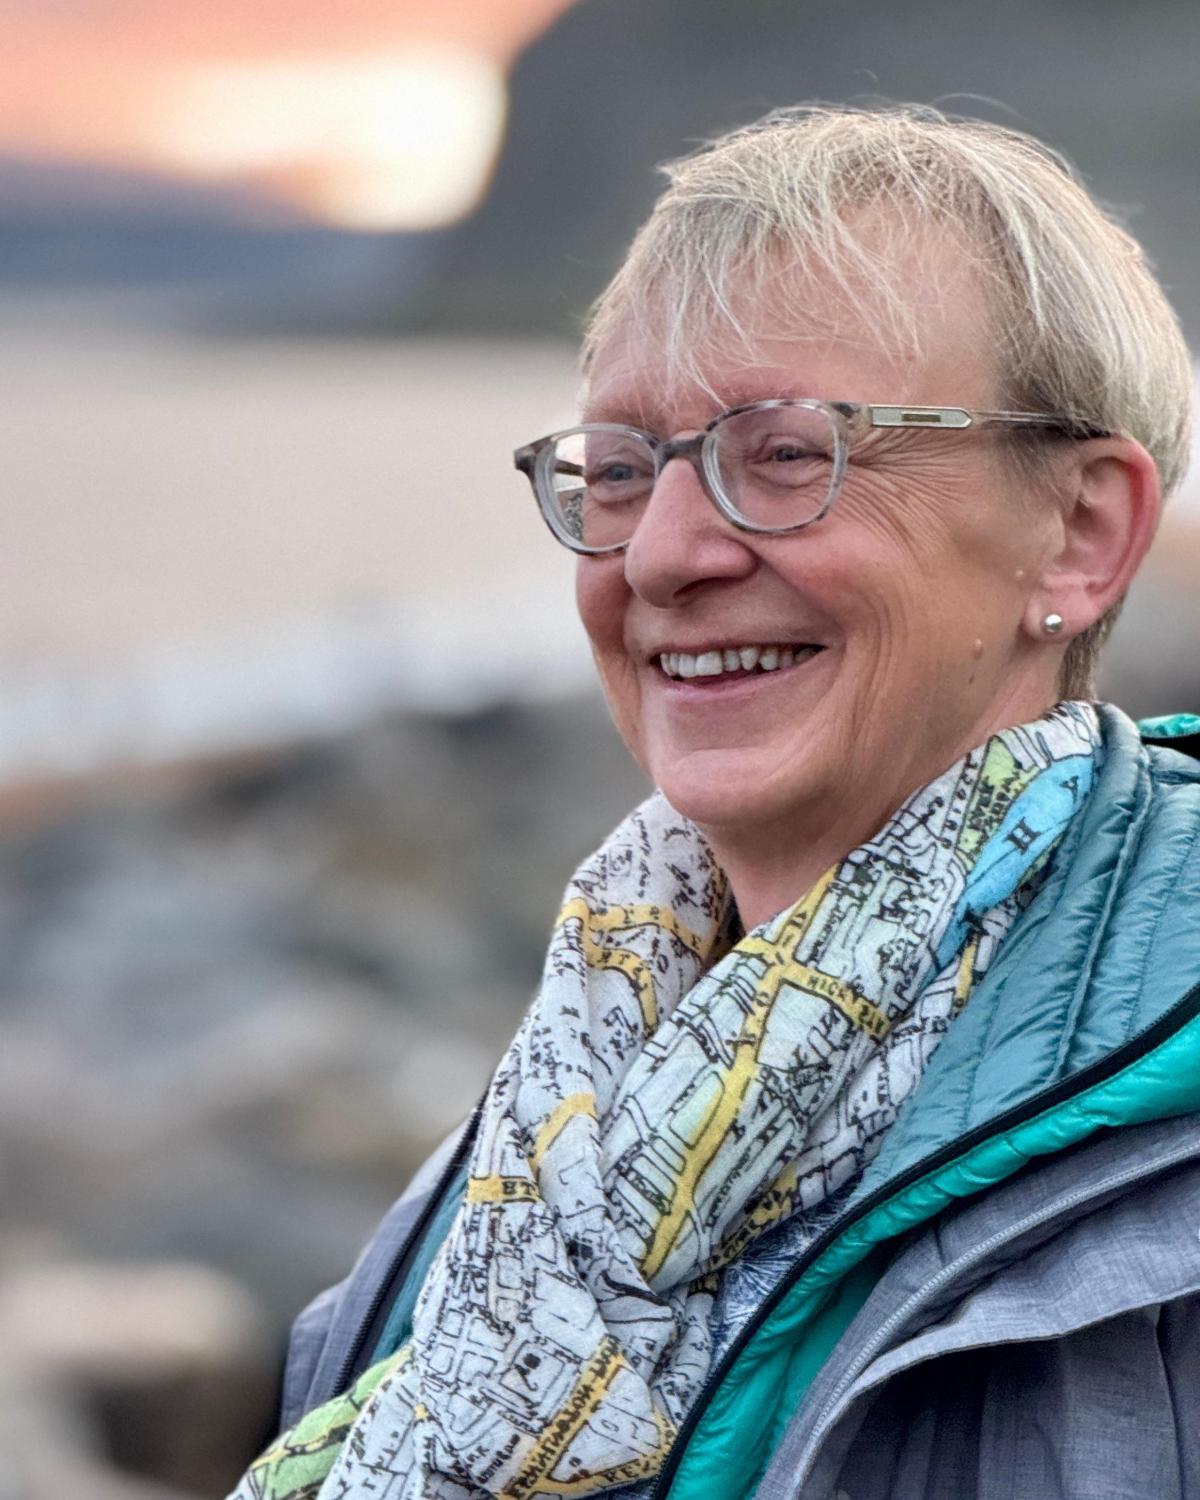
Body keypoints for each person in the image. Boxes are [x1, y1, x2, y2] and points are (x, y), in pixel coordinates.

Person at [231, 105, 1200, 1500]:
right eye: (619, 470)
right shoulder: (544, 1142)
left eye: (790, 454)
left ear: (1083, 530)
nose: (666, 556)